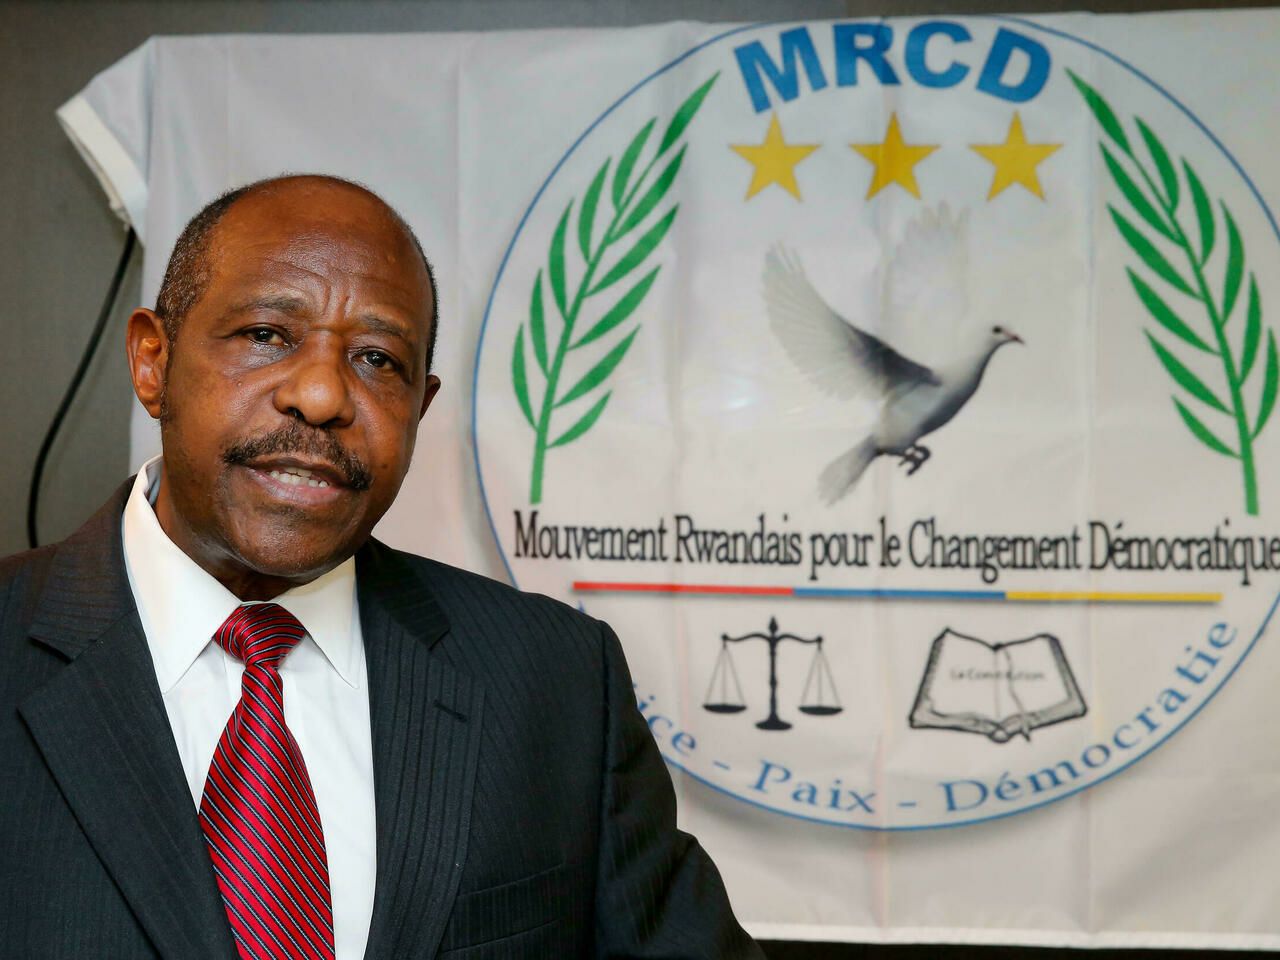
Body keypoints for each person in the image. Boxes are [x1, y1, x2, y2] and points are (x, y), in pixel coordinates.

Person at [0, 174, 761, 959]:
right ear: (152, 361)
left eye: (376, 359)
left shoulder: (556, 681)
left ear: (419, 408)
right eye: (266, 334)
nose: (322, 395)